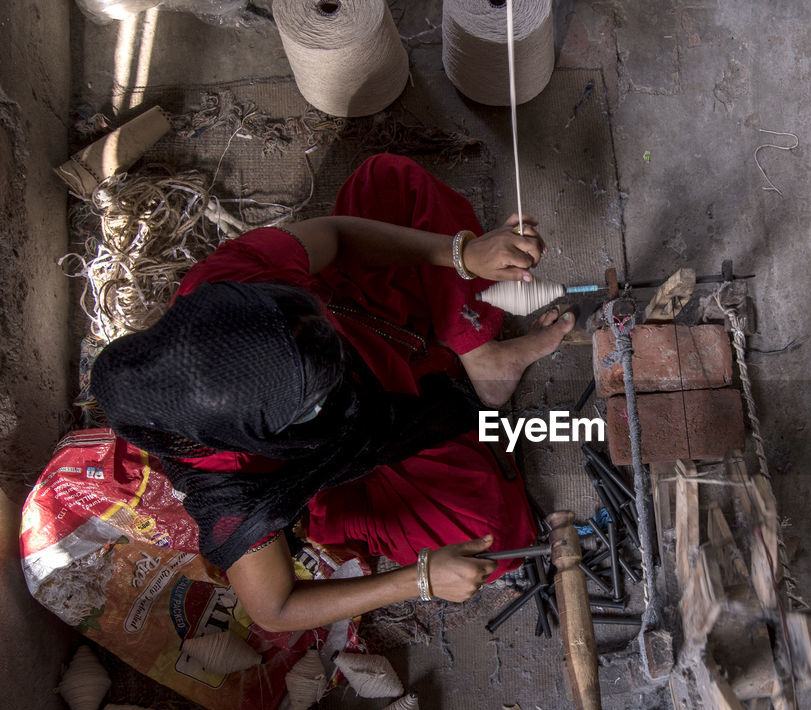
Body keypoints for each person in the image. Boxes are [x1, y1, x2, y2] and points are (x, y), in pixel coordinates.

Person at [89, 154, 574, 632]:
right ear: (267, 432)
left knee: (386, 180)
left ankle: (478, 353)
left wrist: (461, 255)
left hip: (371, 322)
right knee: (492, 539)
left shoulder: (230, 286)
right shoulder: (224, 479)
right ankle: (432, 368)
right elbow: (273, 609)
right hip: (370, 441)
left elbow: (337, 236)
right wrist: (420, 580)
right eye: (318, 393)